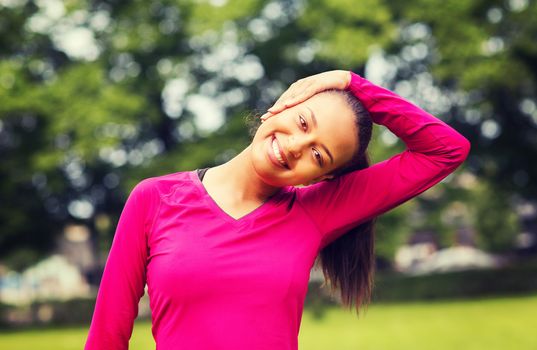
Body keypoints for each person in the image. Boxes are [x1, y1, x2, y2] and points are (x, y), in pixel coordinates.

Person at [84, 70, 470, 350]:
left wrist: (354, 84)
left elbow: (445, 150)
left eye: (318, 155)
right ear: (283, 106)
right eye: (303, 122)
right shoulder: (155, 198)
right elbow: (106, 337)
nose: (295, 146)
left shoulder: (316, 212)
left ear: (320, 176)